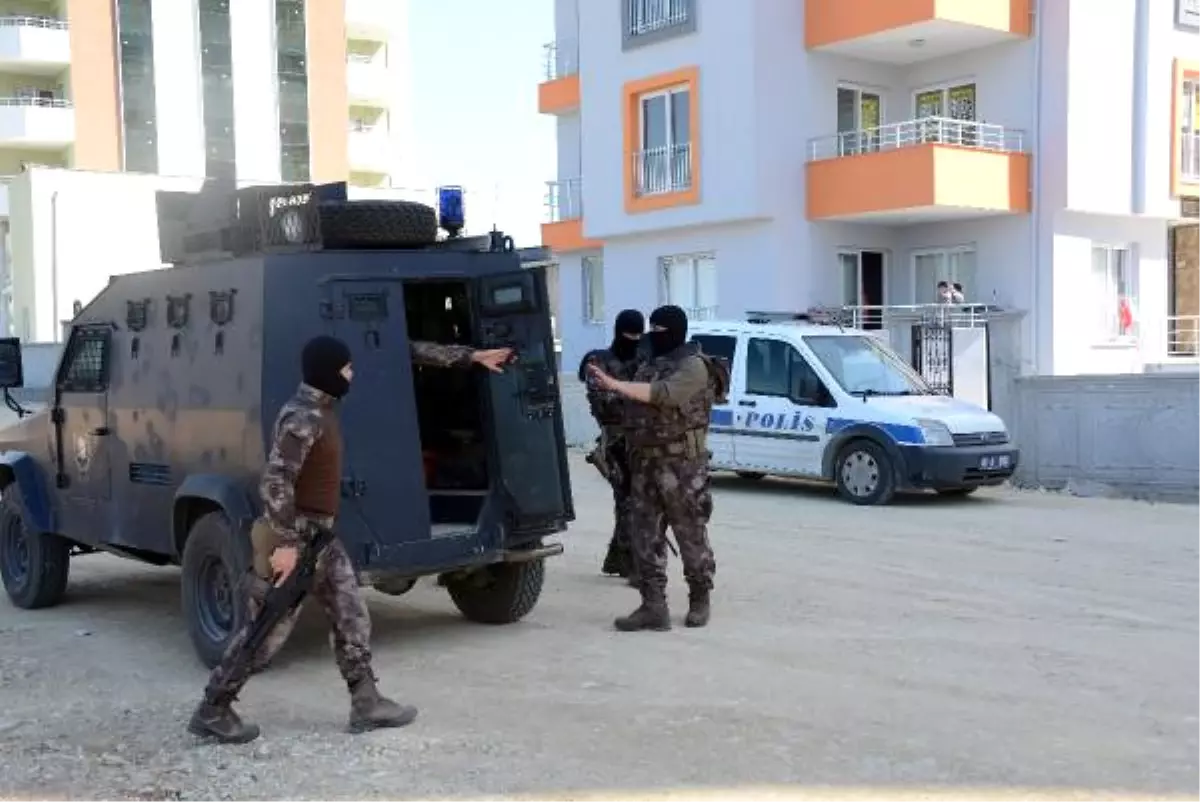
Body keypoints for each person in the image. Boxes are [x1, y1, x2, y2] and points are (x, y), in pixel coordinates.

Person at [188, 335, 513, 744]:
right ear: (328, 372)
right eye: (346, 369)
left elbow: (395, 349)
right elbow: (276, 479)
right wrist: (286, 544)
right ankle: (214, 707)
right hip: (299, 540)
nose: (352, 374)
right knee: (267, 631)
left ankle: (366, 701)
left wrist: (468, 357)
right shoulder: (303, 417)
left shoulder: (323, 408)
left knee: (351, 613)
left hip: (321, 539)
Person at [587, 305, 729, 631]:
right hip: (646, 463)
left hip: (683, 467)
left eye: (660, 329)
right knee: (644, 535)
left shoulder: (694, 367)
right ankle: (653, 605)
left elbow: (662, 396)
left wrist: (614, 384)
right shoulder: (650, 363)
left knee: (690, 533)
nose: (654, 335)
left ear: (676, 330)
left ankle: (699, 599)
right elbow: (622, 409)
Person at [578, 309, 646, 583]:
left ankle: (619, 557)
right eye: (629, 335)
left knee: (631, 501)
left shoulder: (645, 359)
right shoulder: (599, 362)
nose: (634, 340)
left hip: (642, 440)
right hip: (616, 442)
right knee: (630, 500)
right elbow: (602, 403)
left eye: (638, 336)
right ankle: (632, 563)